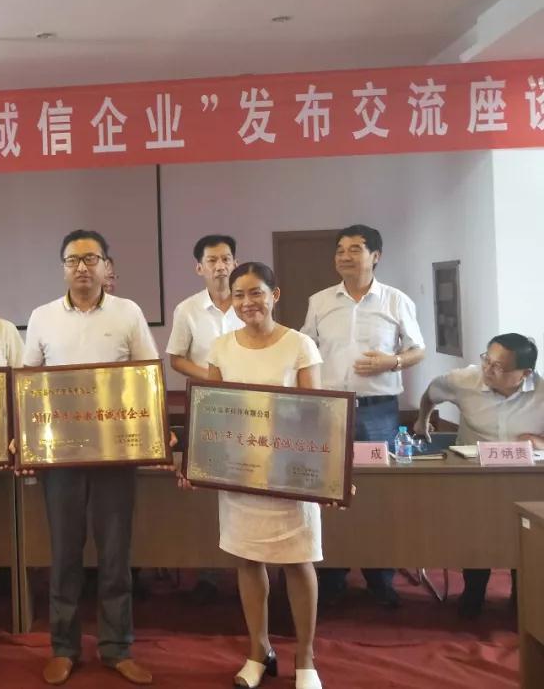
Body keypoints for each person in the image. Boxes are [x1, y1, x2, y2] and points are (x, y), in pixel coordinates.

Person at [23, 229, 159, 687]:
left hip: (115, 455)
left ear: (106, 265)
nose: (82, 267)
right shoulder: (42, 317)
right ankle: (63, 648)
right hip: (60, 457)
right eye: (73, 260)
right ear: (62, 267)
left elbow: (147, 375)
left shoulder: (128, 312)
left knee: (115, 554)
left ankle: (117, 647)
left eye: (91, 258)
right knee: (64, 555)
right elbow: (29, 382)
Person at [201, 262, 326, 689]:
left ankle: (306, 658)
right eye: (238, 294)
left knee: (298, 561)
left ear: (275, 294)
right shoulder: (220, 347)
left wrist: (325, 474)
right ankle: (259, 651)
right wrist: (201, 464)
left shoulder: (300, 345)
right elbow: (212, 413)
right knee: (248, 559)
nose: (247, 302)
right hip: (241, 475)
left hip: (290, 475)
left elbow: (317, 415)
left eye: (256, 292)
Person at [302, 224, 425, 609]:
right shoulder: (320, 301)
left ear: (376, 256)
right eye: (340, 249)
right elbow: (306, 347)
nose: (345, 256)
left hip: (378, 409)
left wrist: (394, 361)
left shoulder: (396, 300)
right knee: (327, 487)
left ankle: (380, 577)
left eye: (355, 249)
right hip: (329, 409)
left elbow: (418, 348)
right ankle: (332, 574)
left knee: (376, 492)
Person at [415, 333, 543, 618]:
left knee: (522, 534)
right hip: (473, 475)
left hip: (522, 478)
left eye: (498, 366)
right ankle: (473, 593)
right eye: (487, 359)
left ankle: (522, 598)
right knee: (476, 534)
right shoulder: (463, 380)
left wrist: (538, 441)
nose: (488, 369)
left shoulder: (542, 394)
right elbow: (430, 394)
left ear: (525, 373)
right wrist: (422, 421)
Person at [166, 234, 244, 603]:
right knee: (207, 486)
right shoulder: (187, 309)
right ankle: (210, 574)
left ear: (235, 263)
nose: (220, 266)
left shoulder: (250, 301)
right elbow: (176, 359)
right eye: (212, 260)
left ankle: (248, 567)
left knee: (246, 478)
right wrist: (210, 375)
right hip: (206, 405)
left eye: (226, 259)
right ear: (199, 268)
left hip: (247, 406)